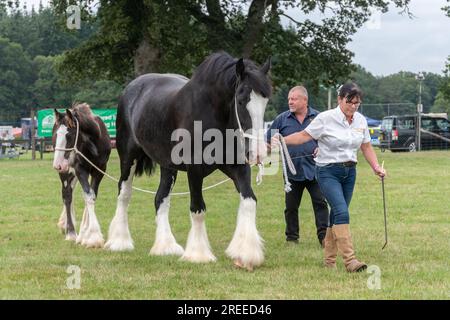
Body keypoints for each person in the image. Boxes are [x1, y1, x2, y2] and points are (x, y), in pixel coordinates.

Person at [272, 83, 386, 272]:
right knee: (342, 212)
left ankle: (329, 261)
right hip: (327, 172)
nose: (353, 106)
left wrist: (376, 167)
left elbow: (366, 146)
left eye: (357, 103)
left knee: (335, 216)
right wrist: (282, 140)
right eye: (350, 102)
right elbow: (303, 136)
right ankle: (350, 261)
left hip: (350, 172)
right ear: (340, 99)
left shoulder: (360, 121)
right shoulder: (325, 118)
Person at [266, 86, 329, 246]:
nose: (290, 102)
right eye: (289, 99)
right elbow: (268, 142)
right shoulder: (281, 119)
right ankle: (292, 238)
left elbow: (329, 140)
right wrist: (269, 146)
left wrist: (321, 148)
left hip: (316, 170)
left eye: (293, 99)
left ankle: (324, 237)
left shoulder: (319, 117)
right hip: (292, 172)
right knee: (291, 207)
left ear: (304, 100)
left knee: (320, 203)